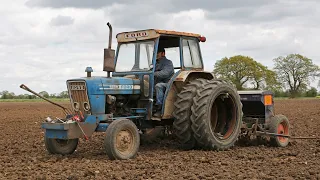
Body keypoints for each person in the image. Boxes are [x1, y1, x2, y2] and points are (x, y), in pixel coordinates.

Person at [153, 47, 174, 117]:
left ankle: (159, 108)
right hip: (156, 83)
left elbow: (165, 73)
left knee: (159, 86)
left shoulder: (168, 63)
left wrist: (152, 73)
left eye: (158, 53)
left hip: (168, 84)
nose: (156, 54)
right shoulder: (154, 63)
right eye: (155, 52)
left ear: (163, 53)